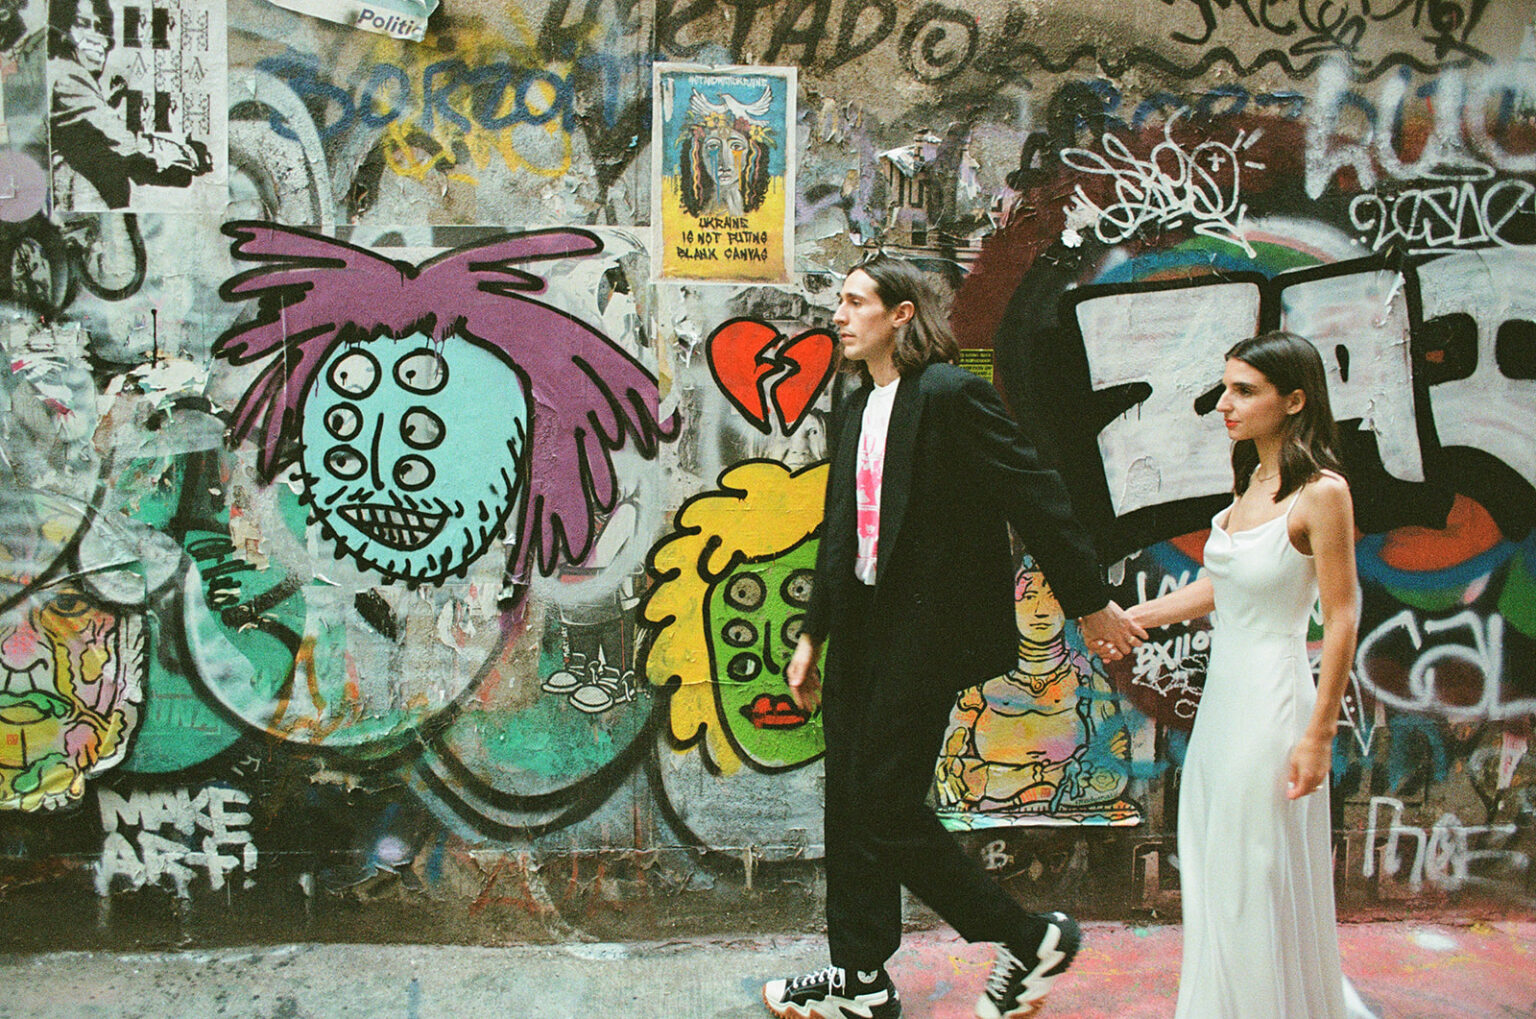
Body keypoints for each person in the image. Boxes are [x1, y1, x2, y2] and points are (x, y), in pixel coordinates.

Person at [761, 253, 1143, 1019]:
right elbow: (840, 531)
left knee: (884, 803)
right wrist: (813, 635)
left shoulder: (950, 394)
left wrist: (1089, 600)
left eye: (856, 302)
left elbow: (1034, 492)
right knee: (851, 801)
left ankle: (1029, 936)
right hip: (861, 627)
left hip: (923, 629)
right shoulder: (855, 406)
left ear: (901, 314)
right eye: (840, 301)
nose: (839, 315)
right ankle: (861, 979)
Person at [1125, 331, 1374, 1018]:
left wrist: (1319, 734)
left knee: (1254, 869)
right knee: (1216, 865)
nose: (1224, 404)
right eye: (1225, 387)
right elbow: (1224, 583)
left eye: (1244, 390)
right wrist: (1130, 617)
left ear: (1294, 400)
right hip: (1225, 705)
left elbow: (1343, 615)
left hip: (1274, 702)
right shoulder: (1253, 480)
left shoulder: (1323, 493)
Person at [49, 0, 211, 209]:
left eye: (101, 28)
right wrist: (185, 154)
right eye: (83, 24)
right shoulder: (68, 75)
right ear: (61, 29)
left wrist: (108, 101)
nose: (98, 40)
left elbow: (84, 129)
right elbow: (115, 137)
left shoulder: (67, 73)